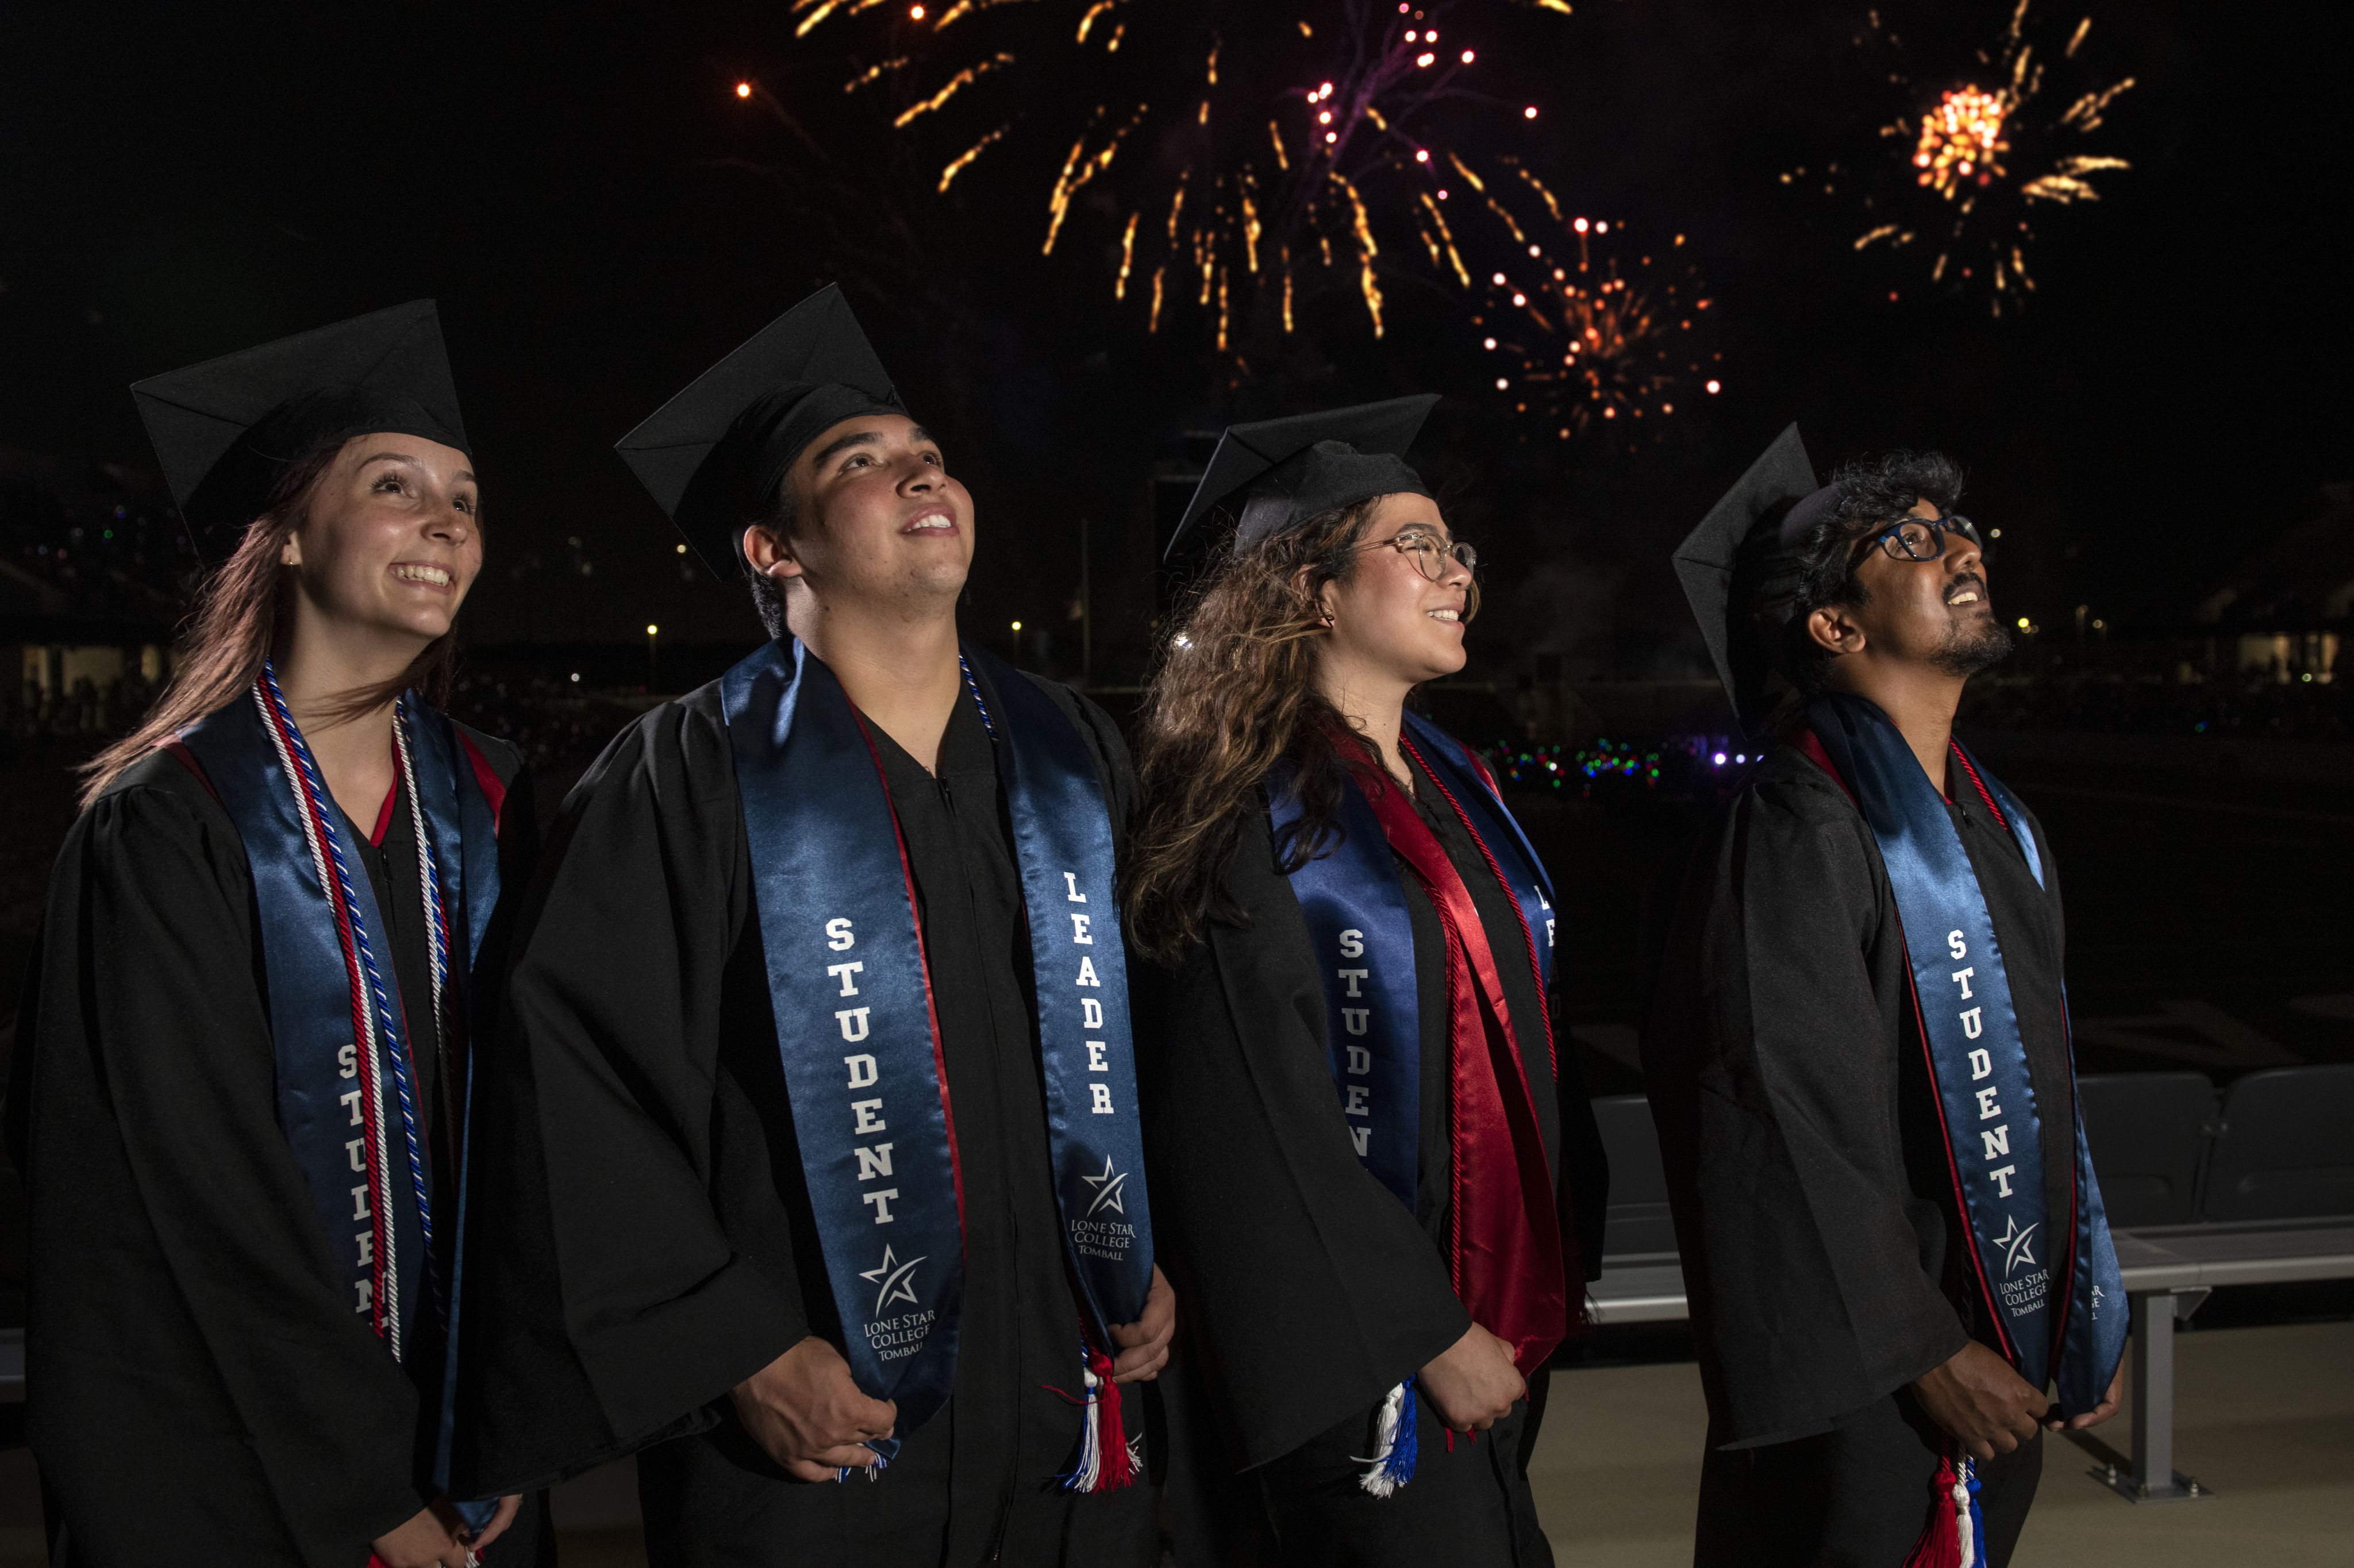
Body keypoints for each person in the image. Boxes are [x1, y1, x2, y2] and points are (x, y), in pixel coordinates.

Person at [461, 285, 1174, 1566]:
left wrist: (1139, 1244)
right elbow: (577, 1083)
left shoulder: (1071, 752)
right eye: (861, 463)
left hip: (1070, 1408)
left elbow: (1135, 1039)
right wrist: (728, 1346)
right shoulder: (682, 775)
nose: (919, 477)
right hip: (819, 1429)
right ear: (772, 550)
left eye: (930, 458)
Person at [6, 302, 539, 1567]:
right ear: (291, 535)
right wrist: (367, 1479)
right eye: (394, 485)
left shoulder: (502, 807)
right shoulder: (168, 825)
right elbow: (182, 1187)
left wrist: (512, 1419)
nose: (447, 520)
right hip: (235, 1467)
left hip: (472, 1456)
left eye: (463, 497)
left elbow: (543, 1140)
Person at [1125, 398, 1607, 1566]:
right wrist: (1421, 1328)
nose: (1455, 575)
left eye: (1457, 550)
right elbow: (1248, 1118)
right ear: (1311, 590)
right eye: (1416, 546)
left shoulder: (1455, 788)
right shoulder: (1244, 809)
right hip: (1361, 1364)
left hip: (1487, 1321)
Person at [1644, 426, 2128, 1567]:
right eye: (1909, 538)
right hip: (1875, 1379)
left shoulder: (1994, 820)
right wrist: (1921, 1348)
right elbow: (1781, 1110)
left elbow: (2038, 1083)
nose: (1959, 548)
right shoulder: (1794, 824)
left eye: (1959, 528)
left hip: (2001, 1350)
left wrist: (2075, 1308)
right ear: (1833, 625)